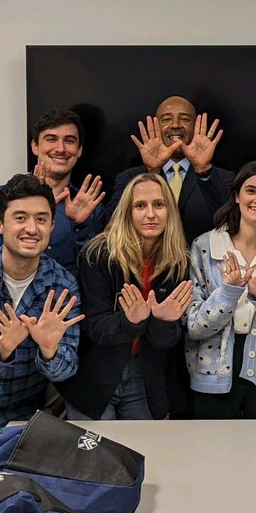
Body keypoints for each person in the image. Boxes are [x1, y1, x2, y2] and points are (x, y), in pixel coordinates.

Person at [0, 174, 84, 431]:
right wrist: (3, 350)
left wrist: (49, 351)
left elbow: (67, 370)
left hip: (29, 422)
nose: (32, 229)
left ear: (52, 227)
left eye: (41, 219)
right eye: (20, 218)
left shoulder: (62, 286)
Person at [61, 172, 194, 420]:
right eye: (140, 206)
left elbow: (168, 342)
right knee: (96, 456)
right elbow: (95, 327)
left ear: (170, 212)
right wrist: (132, 321)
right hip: (96, 375)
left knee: (145, 455)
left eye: (159, 205)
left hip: (145, 375)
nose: (151, 214)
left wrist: (164, 322)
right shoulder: (99, 254)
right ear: (127, 212)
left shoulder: (178, 262)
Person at [185, 160, 256, 418]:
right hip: (212, 376)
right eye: (251, 190)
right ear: (237, 196)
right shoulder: (205, 246)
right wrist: (228, 293)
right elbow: (193, 326)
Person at [0, 109, 106, 277]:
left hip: (65, 298)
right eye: (51, 139)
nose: (61, 149)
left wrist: (80, 225)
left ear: (79, 150)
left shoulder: (90, 207)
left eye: (70, 141)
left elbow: (95, 272)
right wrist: (23, 209)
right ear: (34, 146)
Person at [109, 95, 234, 243]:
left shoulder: (223, 178)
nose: (175, 125)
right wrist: (151, 173)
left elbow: (232, 221)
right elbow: (112, 224)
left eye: (185, 119)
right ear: (156, 127)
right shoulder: (129, 178)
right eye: (167, 119)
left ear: (195, 127)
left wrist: (203, 169)